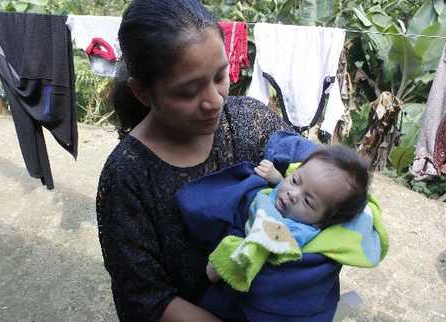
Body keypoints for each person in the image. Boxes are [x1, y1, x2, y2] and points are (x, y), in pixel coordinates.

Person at [95, 1, 298, 321]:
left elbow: (311, 170)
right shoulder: (127, 177)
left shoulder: (249, 119)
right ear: (142, 93)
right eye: (189, 91)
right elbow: (146, 297)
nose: (215, 101)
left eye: (220, 76)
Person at [205, 144, 370, 289]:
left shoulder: (297, 232)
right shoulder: (291, 195)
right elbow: (287, 187)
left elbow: (260, 246)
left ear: (322, 222)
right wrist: (278, 178)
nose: (292, 194)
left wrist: (223, 263)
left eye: (308, 201)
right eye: (296, 180)